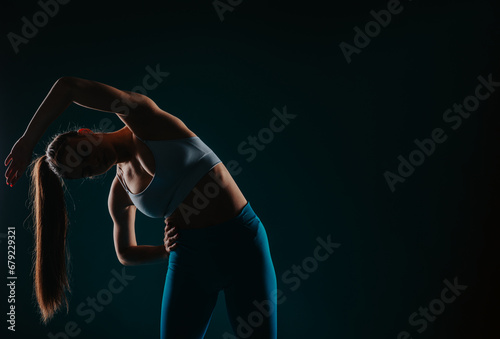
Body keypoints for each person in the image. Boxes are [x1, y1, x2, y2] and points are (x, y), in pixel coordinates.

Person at [4, 76, 278, 338]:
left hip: (242, 243)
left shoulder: (143, 119)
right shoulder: (120, 192)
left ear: (85, 132)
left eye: (84, 151)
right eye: (86, 171)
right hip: (190, 261)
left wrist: (28, 142)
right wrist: (164, 250)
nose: (94, 162)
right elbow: (125, 252)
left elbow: (68, 87)